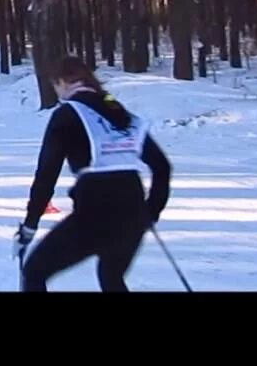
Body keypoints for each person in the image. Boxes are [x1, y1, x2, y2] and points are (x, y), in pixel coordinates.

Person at [12, 56, 172, 292]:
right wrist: (150, 212)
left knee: (33, 272)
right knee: (111, 277)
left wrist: (29, 227)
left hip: (94, 214)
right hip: (133, 215)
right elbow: (162, 167)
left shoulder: (67, 114)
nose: (57, 93)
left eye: (55, 86)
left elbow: (46, 175)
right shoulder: (120, 114)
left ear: (62, 82)